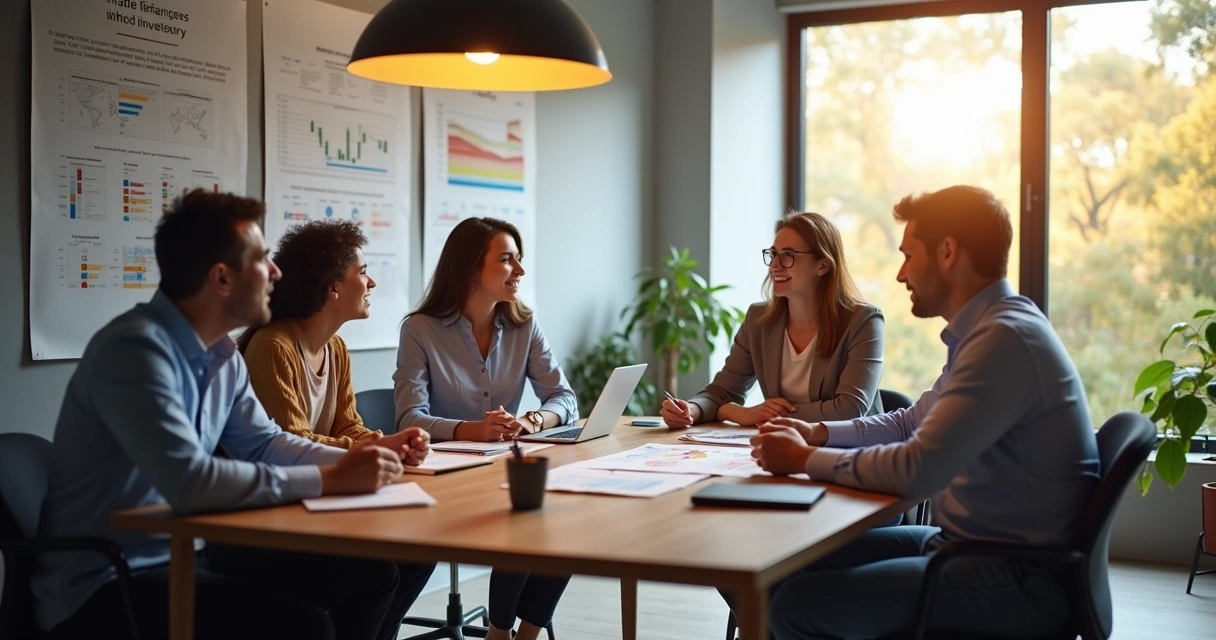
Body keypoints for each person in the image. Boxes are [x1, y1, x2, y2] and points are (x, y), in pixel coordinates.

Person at [33, 190, 421, 640]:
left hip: (190, 552)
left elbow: (264, 443)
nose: (276, 273)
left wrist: (357, 461)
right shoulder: (135, 351)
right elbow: (191, 483)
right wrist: (332, 479)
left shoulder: (221, 354)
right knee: (305, 628)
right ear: (221, 278)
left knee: (370, 575)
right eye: (262, 260)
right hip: (107, 581)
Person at [750, 186, 1100, 639]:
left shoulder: (1003, 341)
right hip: (963, 547)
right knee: (790, 564)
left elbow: (917, 469)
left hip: (1017, 575)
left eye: (909, 255)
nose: (900, 274)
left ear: (948, 252)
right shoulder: (988, 331)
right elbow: (907, 423)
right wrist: (816, 432)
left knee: (794, 606)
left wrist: (802, 460)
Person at [238, 219, 436, 639]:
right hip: (277, 512)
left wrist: (388, 444)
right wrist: (369, 449)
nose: (372, 282)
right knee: (377, 571)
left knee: (419, 554)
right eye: (362, 272)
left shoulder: (336, 348)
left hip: (325, 494)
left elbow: (349, 425)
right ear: (332, 288)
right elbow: (288, 441)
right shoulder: (273, 346)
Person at [394, 217, 576, 640]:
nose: (520, 270)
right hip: (441, 479)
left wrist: (532, 420)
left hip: (499, 468)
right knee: (527, 519)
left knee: (566, 517)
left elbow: (565, 400)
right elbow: (409, 419)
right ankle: (499, 633)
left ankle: (525, 633)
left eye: (520, 259)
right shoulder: (419, 330)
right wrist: (472, 430)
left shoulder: (524, 326)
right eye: (508, 259)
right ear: (472, 267)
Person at [661, 211, 884, 429]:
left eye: (788, 256)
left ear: (823, 265)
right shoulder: (759, 320)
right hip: (783, 445)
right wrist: (690, 410)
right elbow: (722, 392)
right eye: (773, 254)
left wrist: (752, 413)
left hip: (852, 452)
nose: (774, 265)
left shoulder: (864, 321)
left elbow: (849, 409)